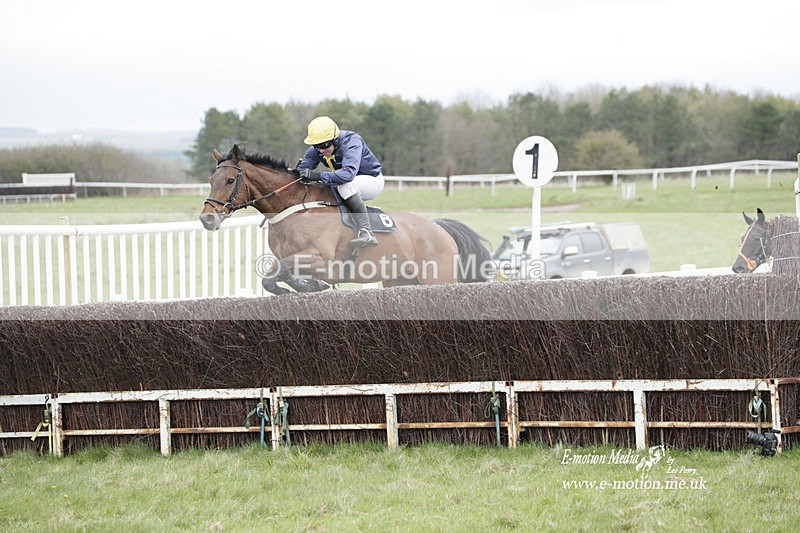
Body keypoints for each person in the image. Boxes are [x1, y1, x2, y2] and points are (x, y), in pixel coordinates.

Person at [295, 116, 384, 247]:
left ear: (335, 139)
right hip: (348, 182)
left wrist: (317, 176)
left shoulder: (352, 141)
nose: (321, 150)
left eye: (324, 145)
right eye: (316, 146)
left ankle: (367, 232)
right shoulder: (318, 150)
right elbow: (301, 170)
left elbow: (348, 174)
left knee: (345, 186)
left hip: (372, 180)